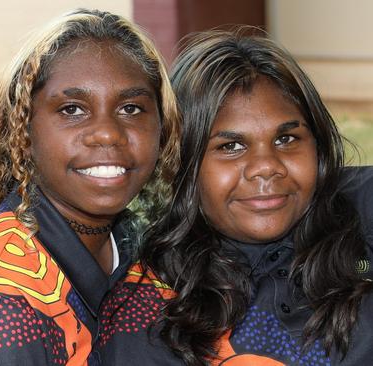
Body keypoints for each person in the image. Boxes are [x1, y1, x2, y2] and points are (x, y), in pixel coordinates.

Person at [94, 29, 373, 365]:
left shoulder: (359, 213)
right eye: (231, 147)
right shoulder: (150, 314)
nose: (266, 167)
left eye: (286, 139)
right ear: (181, 164)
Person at [0, 9, 179, 365]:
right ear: (23, 132)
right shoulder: (3, 296)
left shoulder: (135, 242)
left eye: (132, 109)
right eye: (72, 109)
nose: (107, 133)